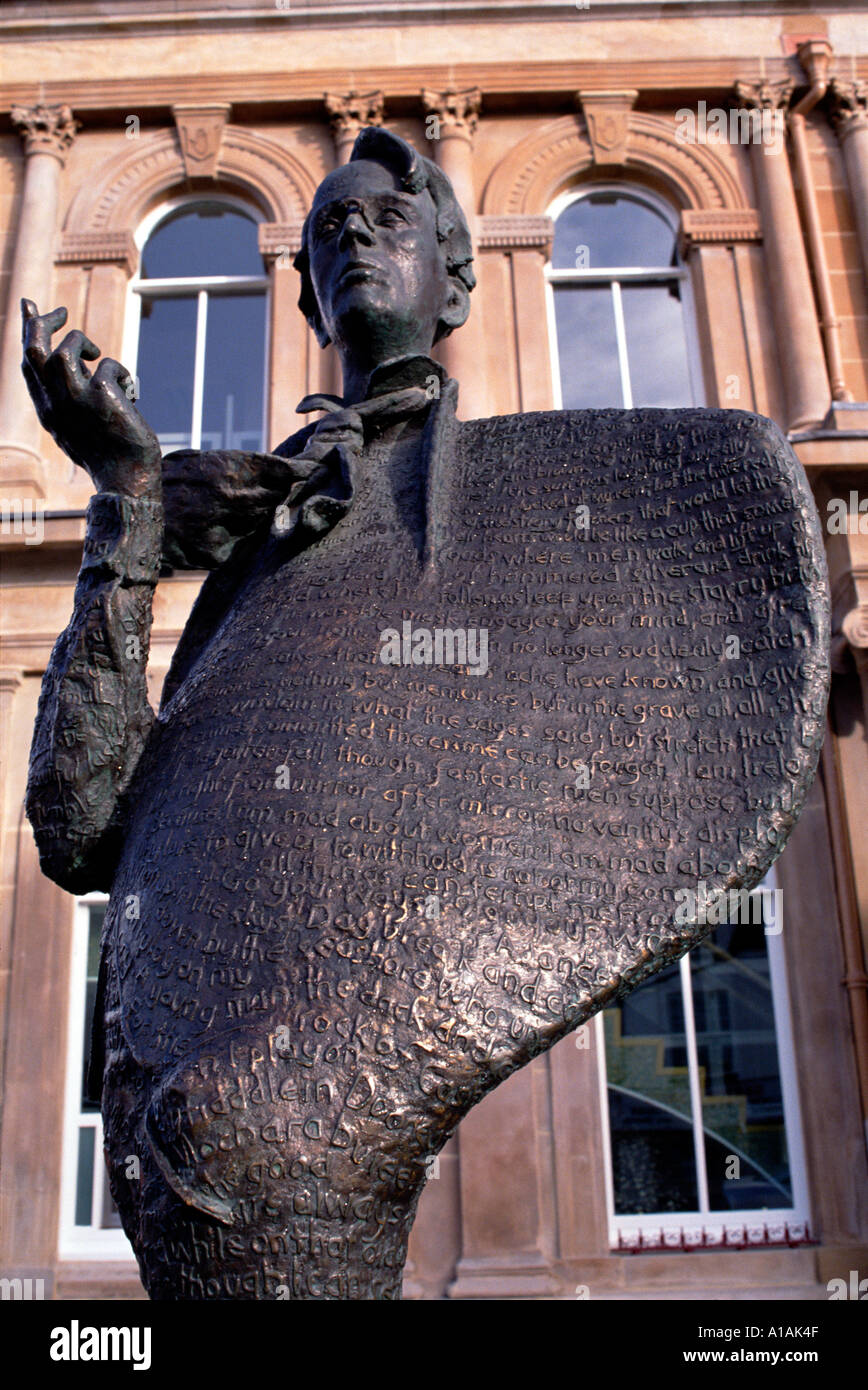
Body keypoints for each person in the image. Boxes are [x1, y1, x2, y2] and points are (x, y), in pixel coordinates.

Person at [21, 128, 828, 1299]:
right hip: (171, 1154)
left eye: (388, 221)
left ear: (457, 275)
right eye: (329, 228)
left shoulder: (560, 507)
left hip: (292, 1148)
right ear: (302, 291)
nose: (354, 235)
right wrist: (130, 504)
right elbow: (80, 824)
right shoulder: (260, 536)